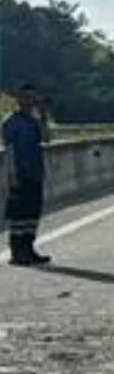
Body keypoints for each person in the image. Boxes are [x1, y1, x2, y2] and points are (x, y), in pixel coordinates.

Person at [3, 83, 52, 266]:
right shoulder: (11, 122)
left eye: (32, 98)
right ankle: (17, 252)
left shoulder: (34, 122)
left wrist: (43, 116)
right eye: (26, 98)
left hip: (35, 172)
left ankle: (29, 248)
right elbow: (9, 149)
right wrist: (11, 173)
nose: (29, 102)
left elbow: (46, 139)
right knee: (19, 215)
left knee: (33, 213)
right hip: (20, 172)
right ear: (19, 99)